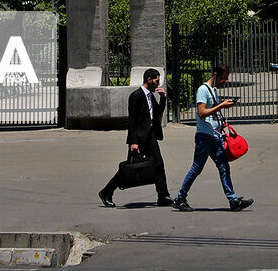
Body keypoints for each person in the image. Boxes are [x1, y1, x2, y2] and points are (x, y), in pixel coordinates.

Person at [172, 63, 254, 212]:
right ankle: (180, 198)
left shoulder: (213, 91)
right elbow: (202, 113)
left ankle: (233, 200)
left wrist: (222, 125)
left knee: (224, 167)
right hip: (204, 137)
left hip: (215, 136)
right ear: (215, 75)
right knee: (196, 168)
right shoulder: (203, 90)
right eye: (223, 79)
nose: (224, 82)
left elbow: (212, 114)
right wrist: (221, 105)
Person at [98, 68, 172, 207]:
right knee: (129, 169)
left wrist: (162, 98)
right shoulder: (136, 96)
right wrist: (133, 142)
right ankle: (106, 192)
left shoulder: (150, 95)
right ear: (149, 79)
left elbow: (157, 113)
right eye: (156, 81)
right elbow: (132, 120)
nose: (158, 84)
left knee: (158, 164)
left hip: (150, 136)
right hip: (138, 138)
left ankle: (163, 195)